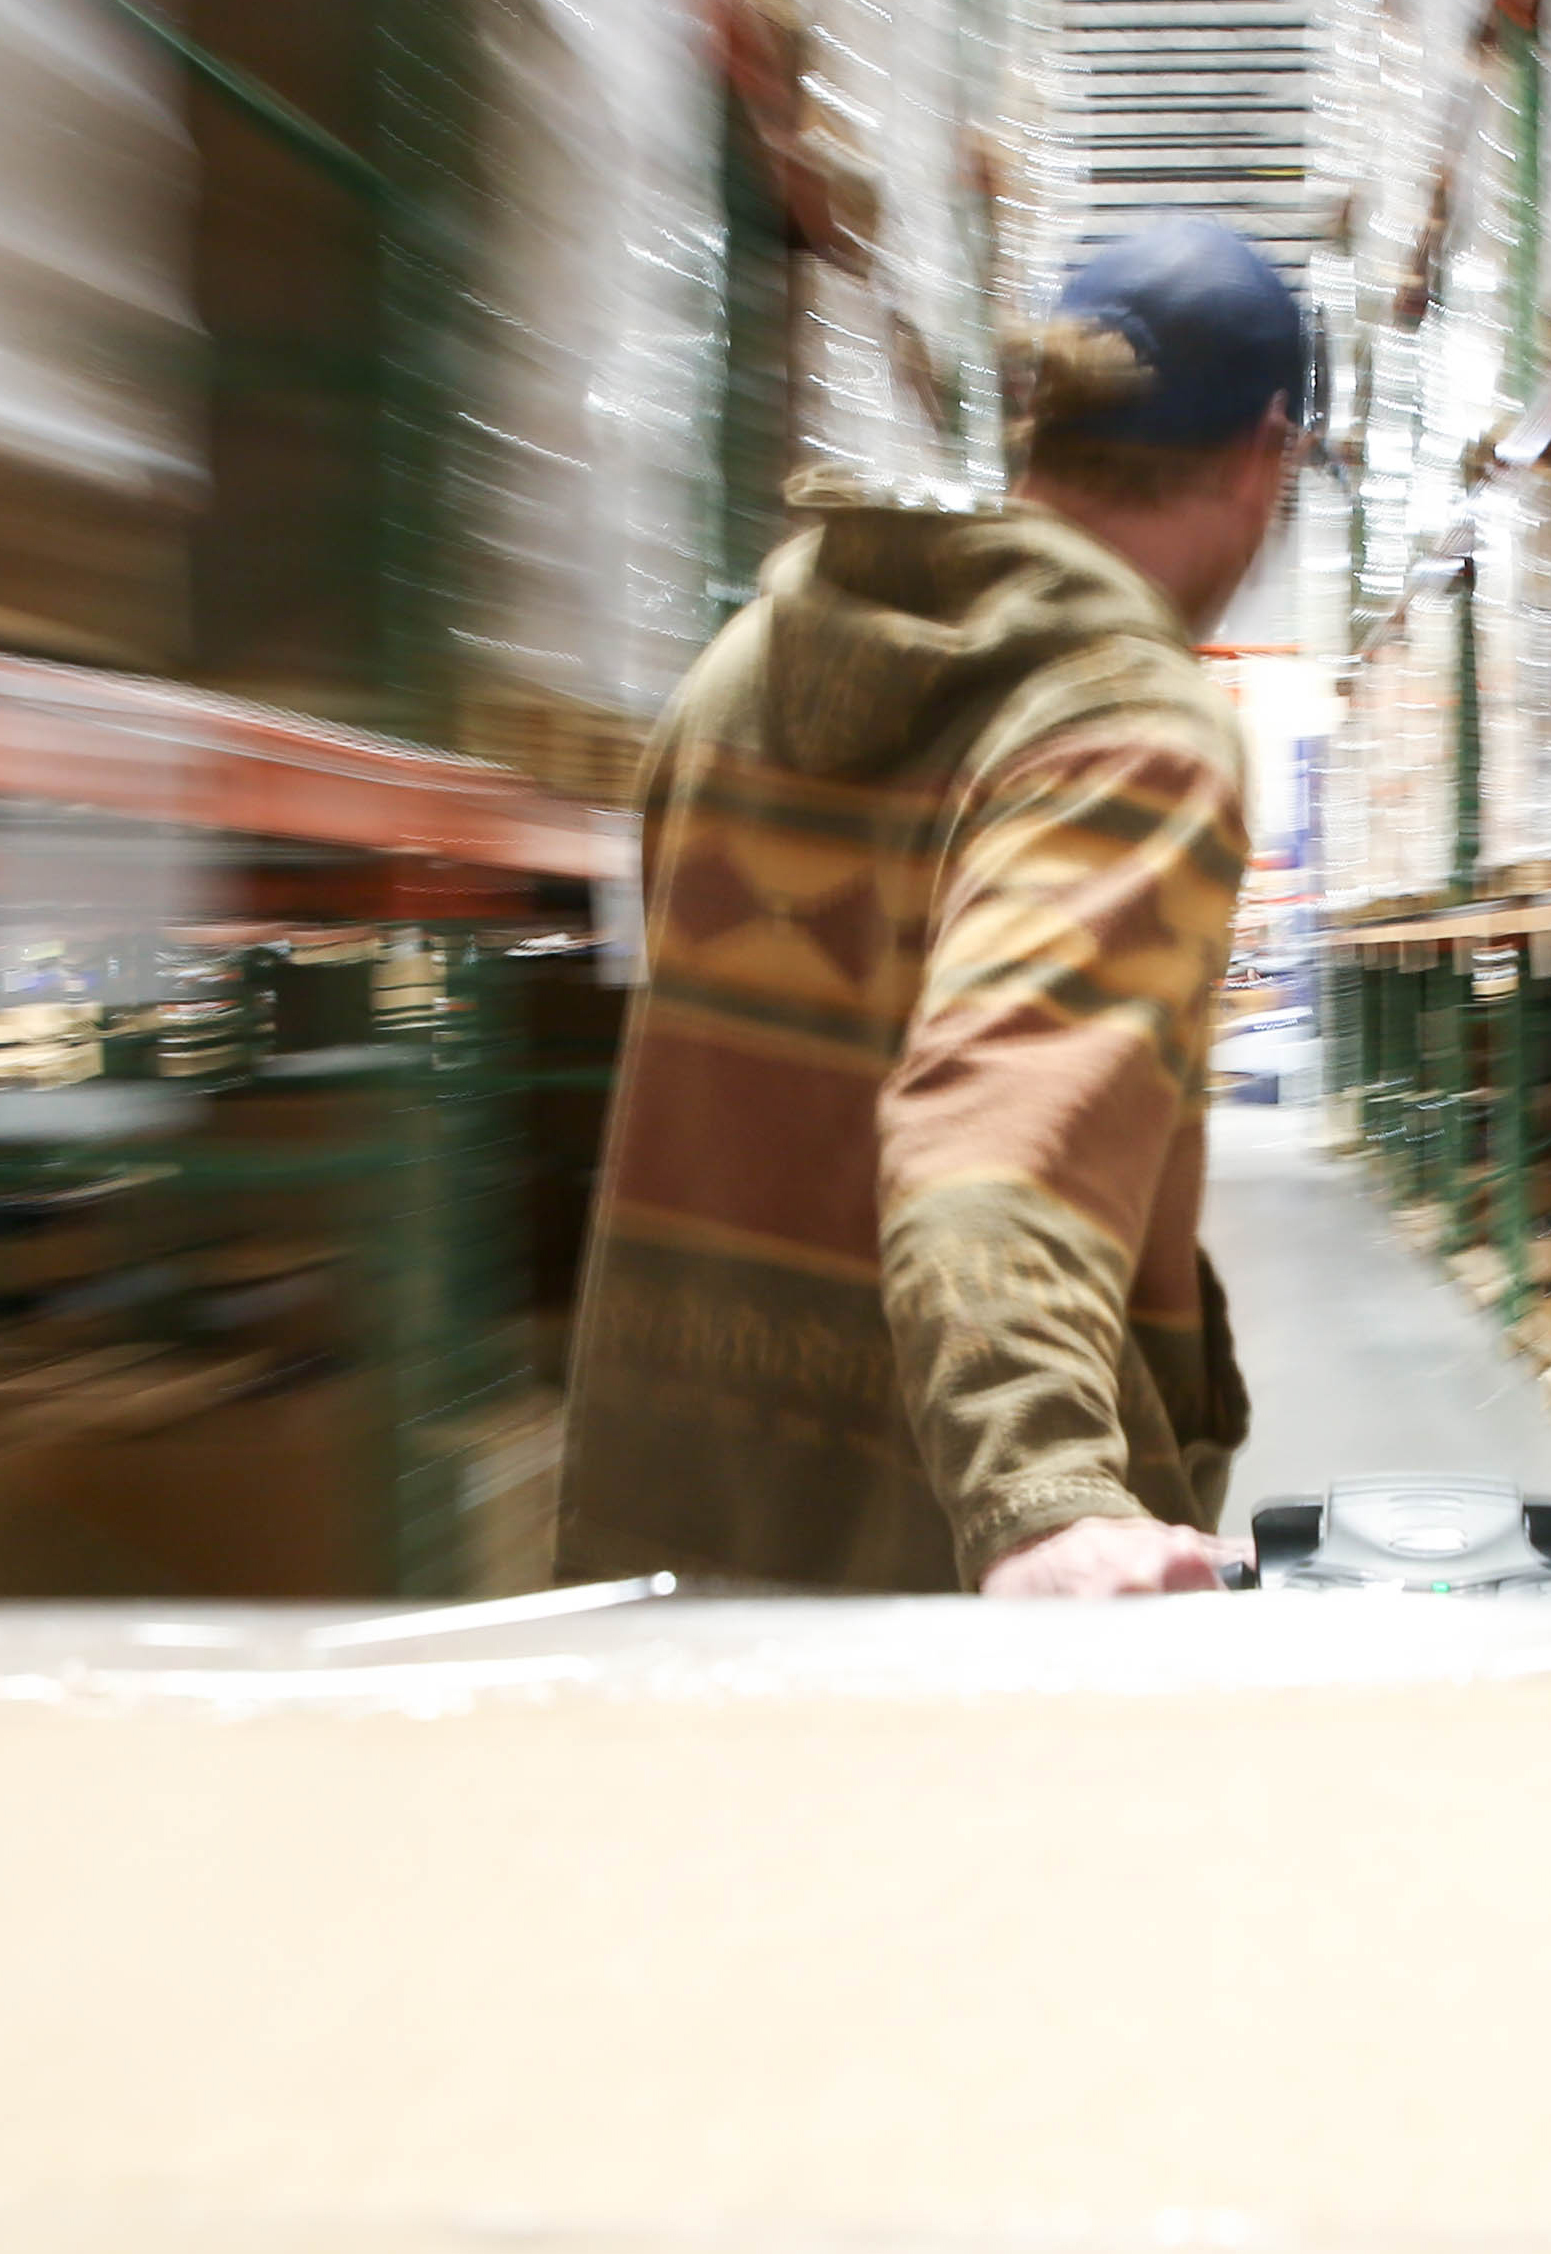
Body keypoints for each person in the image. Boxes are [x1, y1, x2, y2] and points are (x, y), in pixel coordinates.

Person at [551, 215, 1301, 1598]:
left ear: (1039, 437)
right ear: (1270, 457)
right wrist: (1045, 1486)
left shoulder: (737, 680)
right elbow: (1003, 1111)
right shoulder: (1129, 726)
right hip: (948, 1593)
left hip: (686, 1533)